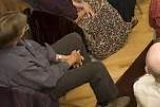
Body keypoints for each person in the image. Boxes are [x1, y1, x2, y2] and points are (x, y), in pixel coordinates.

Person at [0, 13, 130, 107]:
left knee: (74, 38)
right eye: (24, 28)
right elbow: (47, 79)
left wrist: (63, 57)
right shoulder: (16, 65)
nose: (26, 28)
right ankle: (109, 102)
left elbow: (40, 51)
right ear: (15, 36)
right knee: (97, 68)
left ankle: (85, 72)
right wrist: (68, 62)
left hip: (42, 69)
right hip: (42, 90)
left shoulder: (15, 42)